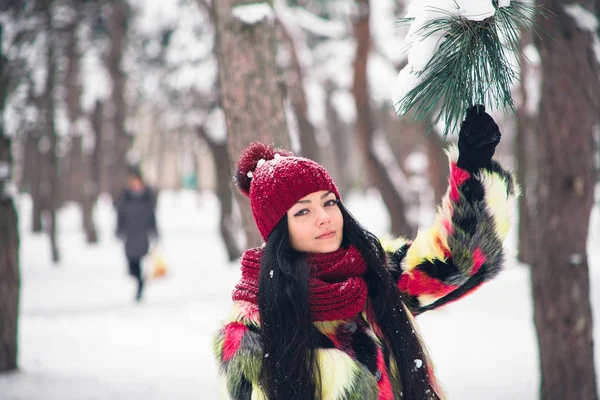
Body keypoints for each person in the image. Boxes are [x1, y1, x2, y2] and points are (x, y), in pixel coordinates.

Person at [213, 105, 518, 400]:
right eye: (303, 212)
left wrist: (473, 168)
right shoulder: (251, 329)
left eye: (329, 202)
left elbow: (457, 261)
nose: (324, 217)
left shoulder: (374, 270)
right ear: (278, 231)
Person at [116, 167, 158, 302]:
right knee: (131, 262)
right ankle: (139, 278)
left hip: (142, 234)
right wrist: (119, 230)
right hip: (129, 234)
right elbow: (120, 215)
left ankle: (140, 284)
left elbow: (152, 216)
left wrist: (154, 231)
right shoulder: (125, 197)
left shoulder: (147, 198)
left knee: (140, 259)